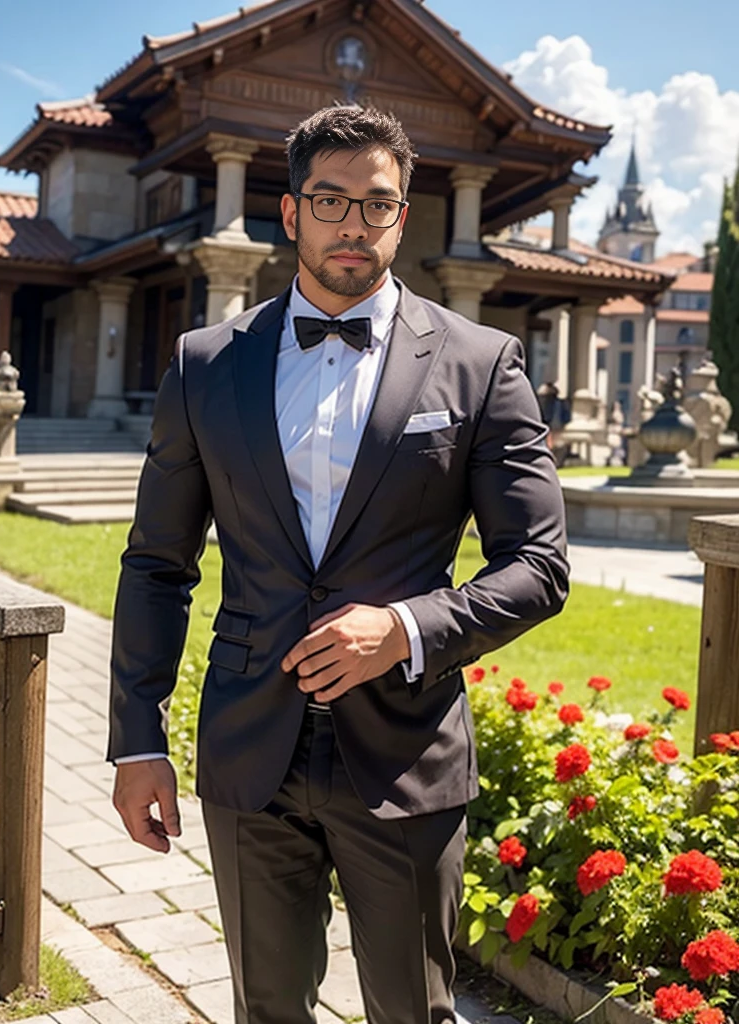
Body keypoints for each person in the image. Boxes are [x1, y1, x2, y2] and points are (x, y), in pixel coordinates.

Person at [108, 105, 569, 1024]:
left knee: (413, 1010)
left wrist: (404, 627)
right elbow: (158, 562)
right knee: (266, 1008)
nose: (354, 224)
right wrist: (138, 739)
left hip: (404, 753)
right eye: (331, 200)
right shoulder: (205, 364)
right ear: (291, 214)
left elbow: (539, 566)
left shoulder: (480, 363)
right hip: (251, 750)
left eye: (379, 204)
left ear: (402, 217)